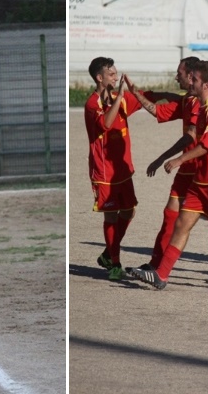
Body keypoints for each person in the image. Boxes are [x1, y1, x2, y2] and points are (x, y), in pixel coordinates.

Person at [128, 60, 208, 293]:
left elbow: (207, 145)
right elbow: (168, 105)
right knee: (181, 225)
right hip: (201, 180)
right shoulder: (199, 105)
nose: (190, 81)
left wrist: (178, 160)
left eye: (194, 79)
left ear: (205, 84)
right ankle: (161, 275)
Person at [84, 57, 143, 280]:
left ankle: (109, 253)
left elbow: (146, 99)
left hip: (122, 170)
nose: (116, 77)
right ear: (100, 78)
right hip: (104, 172)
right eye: (111, 75)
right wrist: (118, 97)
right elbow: (106, 123)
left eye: (116, 74)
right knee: (111, 217)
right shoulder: (92, 104)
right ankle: (115, 265)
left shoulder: (122, 98)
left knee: (129, 211)